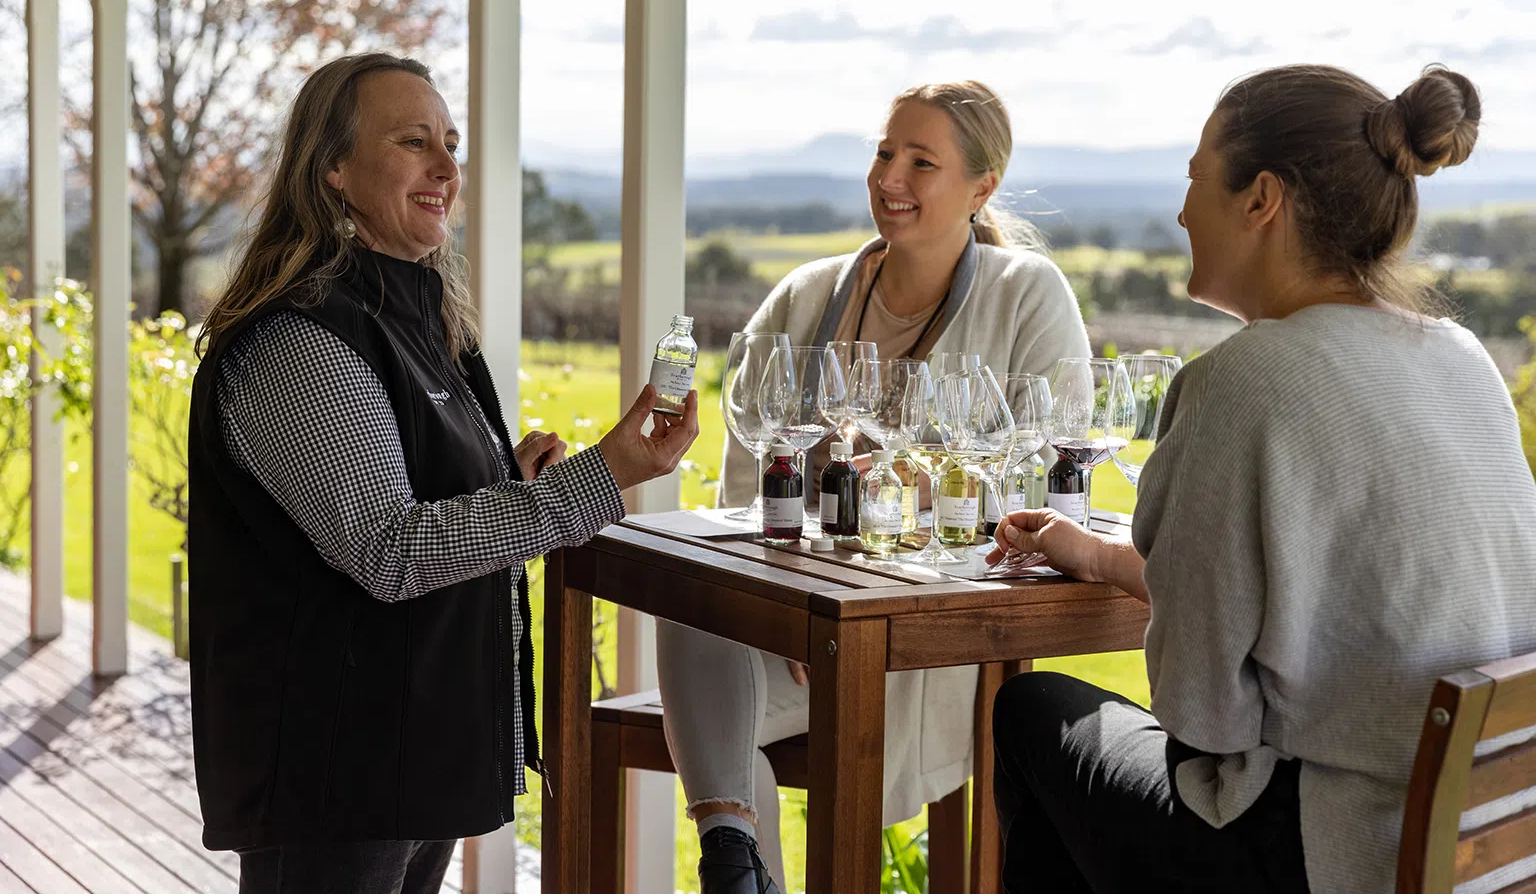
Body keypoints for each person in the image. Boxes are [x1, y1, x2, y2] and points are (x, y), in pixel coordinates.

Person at [987, 64, 1536, 894]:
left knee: (1032, 716)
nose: (1180, 211)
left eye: (1195, 179)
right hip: (1485, 847)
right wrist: (1101, 560)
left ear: (1261, 200)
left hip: (1330, 854)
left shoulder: (1241, 380)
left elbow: (1202, 715)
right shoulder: (1462, 360)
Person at [187, 52, 698, 893]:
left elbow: (414, 491)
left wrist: (516, 485)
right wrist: (601, 477)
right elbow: (390, 549)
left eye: (451, 144)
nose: (446, 168)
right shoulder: (300, 340)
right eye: (414, 141)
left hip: (413, 752)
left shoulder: (419, 318)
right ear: (335, 171)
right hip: (337, 771)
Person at [656, 80, 1091, 893]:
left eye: (922, 161)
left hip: (931, 646)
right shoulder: (809, 295)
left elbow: (1045, 471)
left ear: (982, 186)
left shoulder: (1027, 294)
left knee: (714, 700)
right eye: (885, 152)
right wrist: (781, 609)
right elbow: (751, 479)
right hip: (798, 642)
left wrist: (919, 490)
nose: (890, 177)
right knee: (698, 604)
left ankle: (731, 863)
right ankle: (732, 863)